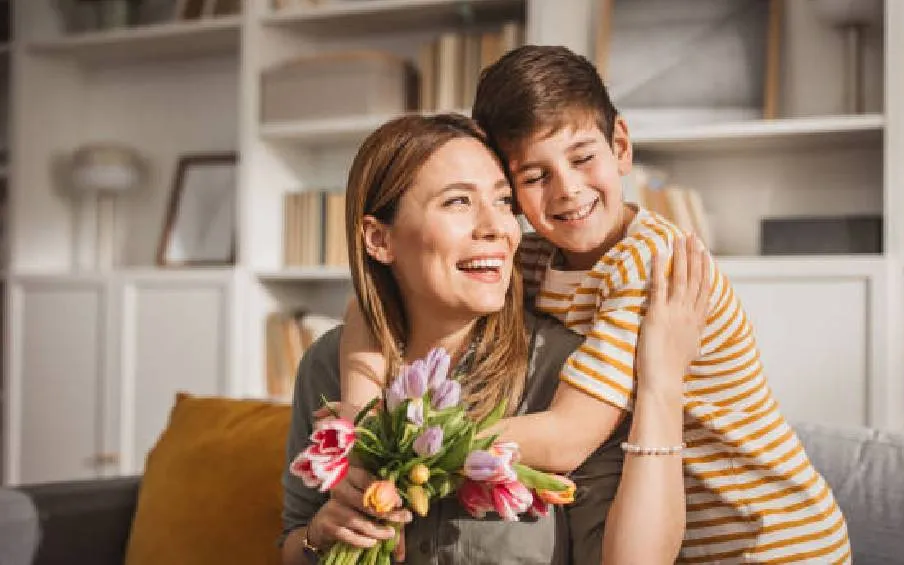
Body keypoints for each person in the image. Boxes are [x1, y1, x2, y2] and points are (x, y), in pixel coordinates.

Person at [342, 46, 851, 562]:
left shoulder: (649, 263)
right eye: (534, 177)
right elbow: (376, 299)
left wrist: (406, 446)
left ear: (621, 146)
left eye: (583, 158)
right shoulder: (537, 255)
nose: (567, 190)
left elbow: (568, 438)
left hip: (776, 540)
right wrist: (357, 423)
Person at [281, 113, 710, 564]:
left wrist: (662, 383)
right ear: (379, 238)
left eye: (505, 202)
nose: (498, 228)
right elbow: (293, 542)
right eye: (458, 202)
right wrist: (319, 535)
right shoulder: (329, 364)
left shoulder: (564, 373)